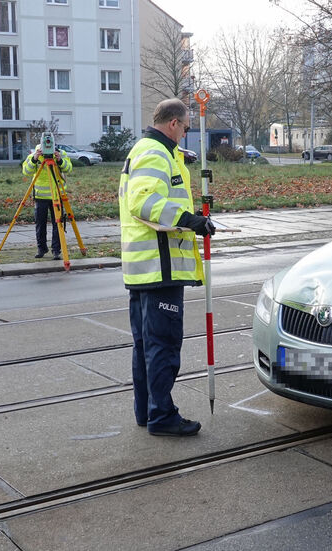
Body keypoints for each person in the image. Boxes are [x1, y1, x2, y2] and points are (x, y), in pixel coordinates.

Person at [119, 98, 215, 437]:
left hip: (147, 269)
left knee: (147, 345)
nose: (186, 133)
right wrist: (189, 220)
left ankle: (148, 412)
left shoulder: (152, 152)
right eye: (186, 127)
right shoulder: (154, 153)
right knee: (162, 345)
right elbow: (143, 203)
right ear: (173, 123)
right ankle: (162, 415)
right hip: (159, 268)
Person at [22, 142, 72, 259]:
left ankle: (56, 250)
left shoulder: (61, 153)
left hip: (57, 195)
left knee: (58, 224)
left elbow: (68, 168)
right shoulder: (36, 154)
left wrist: (59, 160)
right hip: (41, 196)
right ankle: (41, 249)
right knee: (40, 224)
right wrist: (35, 159)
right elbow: (26, 171)